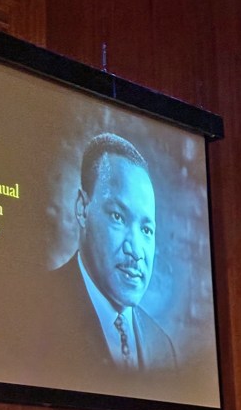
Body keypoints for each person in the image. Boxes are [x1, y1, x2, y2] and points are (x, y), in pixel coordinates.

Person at [53, 133, 177, 375]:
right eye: (118, 217)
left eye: (146, 229)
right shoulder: (37, 308)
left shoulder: (162, 346)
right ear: (82, 209)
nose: (136, 250)